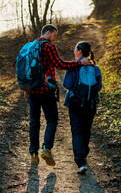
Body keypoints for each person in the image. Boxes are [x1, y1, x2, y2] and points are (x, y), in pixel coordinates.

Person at [27, 25, 90, 166]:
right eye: (54, 35)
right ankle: (46, 148)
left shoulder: (31, 46)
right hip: (46, 90)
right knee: (52, 119)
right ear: (48, 32)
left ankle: (33, 153)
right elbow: (60, 64)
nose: (54, 38)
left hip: (31, 90)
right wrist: (79, 63)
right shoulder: (48, 46)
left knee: (34, 122)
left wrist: (26, 89)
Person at [63, 41, 102, 174]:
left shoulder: (73, 67)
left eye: (75, 49)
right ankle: (84, 154)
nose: (74, 51)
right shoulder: (95, 68)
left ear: (79, 51)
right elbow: (99, 87)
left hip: (75, 103)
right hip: (90, 104)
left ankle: (81, 161)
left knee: (77, 130)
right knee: (86, 129)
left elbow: (67, 84)